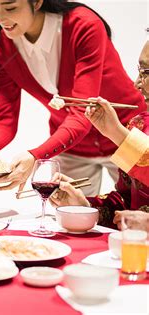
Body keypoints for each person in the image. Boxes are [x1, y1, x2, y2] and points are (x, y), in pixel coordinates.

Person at [0, 0, 146, 196]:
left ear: (37, 2)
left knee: (135, 216)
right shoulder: (4, 46)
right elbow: (4, 122)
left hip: (126, 135)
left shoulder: (83, 25)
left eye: (10, 7)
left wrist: (35, 156)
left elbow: (82, 113)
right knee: (71, 219)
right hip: (72, 146)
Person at [50, 39, 149, 229]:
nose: (137, 84)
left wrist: (118, 134)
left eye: (146, 73)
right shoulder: (141, 124)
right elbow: (125, 202)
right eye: (139, 71)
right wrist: (84, 206)